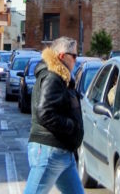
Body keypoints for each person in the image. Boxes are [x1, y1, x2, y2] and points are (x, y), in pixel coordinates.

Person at [24, 36, 84, 194]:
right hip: (50, 150)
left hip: (63, 152)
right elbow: (45, 113)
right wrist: (71, 126)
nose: (76, 60)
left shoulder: (60, 78)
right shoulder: (53, 77)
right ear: (62, 56)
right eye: (74, 56)